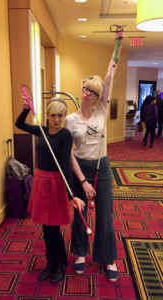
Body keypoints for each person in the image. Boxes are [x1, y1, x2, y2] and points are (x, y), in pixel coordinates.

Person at [63, 26, 124, 282]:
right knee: (80, 213)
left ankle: (108, 258)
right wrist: (84, 182)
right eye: (85, 88)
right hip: (81, 170)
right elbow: (69, 155)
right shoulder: (70, 120)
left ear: (98, 97)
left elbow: (110, 73)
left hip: (103, 167)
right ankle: (79, 253)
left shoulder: (100, 112)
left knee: (104, 214)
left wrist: (117, 46)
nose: (86, 92)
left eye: (91, 91)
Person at [15, 97, 85, 284]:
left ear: (63, 116)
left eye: (60, 115)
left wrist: (72, 194)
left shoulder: (65, 135)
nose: (56, 119)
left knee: (53, 227)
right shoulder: (42, 131)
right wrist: (25, 109)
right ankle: (50, 261)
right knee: (46, 227)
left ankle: (60, 262)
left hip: (55, 183)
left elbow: (64, 164)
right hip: (40, 181)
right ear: (46, 116)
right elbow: (19, 124)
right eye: (53, 115)